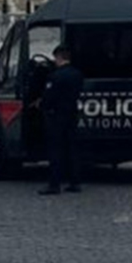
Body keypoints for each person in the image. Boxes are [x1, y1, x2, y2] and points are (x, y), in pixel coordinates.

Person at [38, 44, 84, 195]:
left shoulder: (55, 76)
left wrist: (42, 105)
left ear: (59, 57)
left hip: (56, 115)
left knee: (55, 150)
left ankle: (54, 184)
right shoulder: (77, 74)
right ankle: (75, 182)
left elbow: (49, 97)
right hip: (72, 113)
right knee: (72, 149)